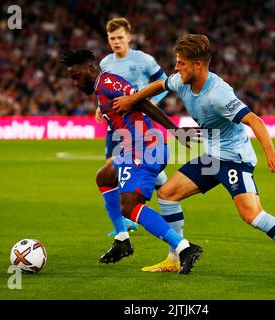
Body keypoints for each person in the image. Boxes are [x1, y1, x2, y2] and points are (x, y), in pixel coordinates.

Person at [113, 34, 275, 278]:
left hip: (235, 158)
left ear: (198, 65)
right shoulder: (182, 81)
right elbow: (159, 85)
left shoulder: (218, 93)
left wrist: (270, 152)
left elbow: (253, 120)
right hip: (212, 157)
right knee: (167, 194)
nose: (176, 67)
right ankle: (174, 257)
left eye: (181, 63)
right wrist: (132, 99)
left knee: (252, 215)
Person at [58, 49, 202, 275]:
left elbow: (142, 102)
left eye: (76, 77)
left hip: (145, 148)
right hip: (132, 148)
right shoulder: (100, 88)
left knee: (129, 206)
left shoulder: (107, 82)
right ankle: (122, 239)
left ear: (89, 69)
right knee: (105, 176)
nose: (75, 83)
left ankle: (185, 248)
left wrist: (176, 131)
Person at [98, 19, 183, 272]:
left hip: (142, 126)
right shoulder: (105, 63)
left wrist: (149, 102)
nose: (116, 42)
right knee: (112, 172)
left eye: (120, 37)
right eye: (112, 38)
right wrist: (97, 108)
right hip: (117, 129)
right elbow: (103, 93)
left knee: (144, 174)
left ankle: (146, 214)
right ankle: (124, 229)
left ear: (129, 37)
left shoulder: (143, 60)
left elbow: (163, 80)